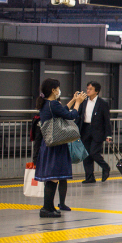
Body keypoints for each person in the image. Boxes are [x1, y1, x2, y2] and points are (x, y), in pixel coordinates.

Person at [34, 79, 86, 218]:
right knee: (53, 178)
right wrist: (78, 103)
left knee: (52, 178)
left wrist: (72, 101)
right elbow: (71, 115)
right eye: (58, 88)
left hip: (50, 145)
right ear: (53, 90)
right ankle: (46, 209)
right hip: (56, 146)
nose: (59, 90)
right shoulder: (53, 104)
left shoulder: (47, 104)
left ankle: (49, 207)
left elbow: (61, 111)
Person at [76, 81, 112, 183]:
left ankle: (105, 167)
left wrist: (108, 134)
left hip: (98, 131)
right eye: (87, 88)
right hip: (85, 129)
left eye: (90, 89)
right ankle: (89, 177)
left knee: (94, 152)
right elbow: (79, 116)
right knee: (86, 154)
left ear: (96, 91)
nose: (88, 90)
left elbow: (107, 120)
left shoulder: (102, 103)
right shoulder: (83, 101)